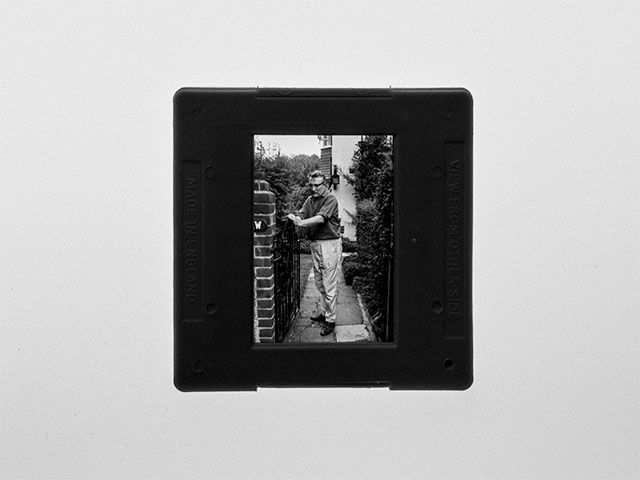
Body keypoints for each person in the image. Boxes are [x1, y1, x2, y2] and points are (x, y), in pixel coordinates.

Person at [287, 170, 342, 336]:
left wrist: (301, 223)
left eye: (317, 185)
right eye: (311, 185)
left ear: (324, 184)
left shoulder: (330, 199)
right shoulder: (310, 200)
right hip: (316, 244)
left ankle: (330, 321)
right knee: (319, 283)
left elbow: (320, 218)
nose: (313, 188)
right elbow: (302, 213)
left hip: (329, 245)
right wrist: (294, 216)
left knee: (329, 284)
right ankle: (325, 313)